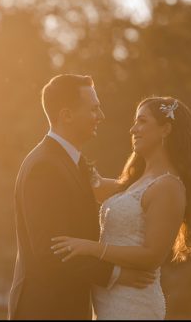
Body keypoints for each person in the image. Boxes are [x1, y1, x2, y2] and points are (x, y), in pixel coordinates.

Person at [51, 96, 191, 319]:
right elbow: (95, 187)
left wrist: (91, 248)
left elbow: (152, 256)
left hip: (134, 303)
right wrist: (64, 144)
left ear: (165, 129)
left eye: (142, 122)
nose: (133, 129)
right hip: (109, 300)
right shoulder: (135, 182)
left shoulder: (168, 186)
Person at [8, 75, 157, 320]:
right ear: (66, 115)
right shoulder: (44, 166)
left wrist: (156, 181)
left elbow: (112, 188)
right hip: (45, 309)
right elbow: (49, 250)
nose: (101, 116)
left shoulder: (68, 160)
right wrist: (115, 274)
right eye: (94, 109)